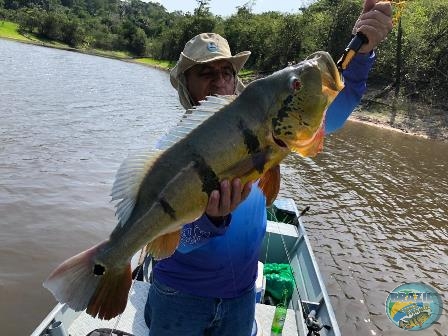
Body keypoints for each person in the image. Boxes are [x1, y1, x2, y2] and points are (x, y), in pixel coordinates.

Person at [144, 1, 393, 335]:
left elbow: (329, 114)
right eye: (206, 73)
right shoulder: (168, 154)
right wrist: (210, 220)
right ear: (186, 86)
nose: (220, 80)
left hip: (242, 295)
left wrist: (362, 54)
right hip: (179, 296)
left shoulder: (265, 126)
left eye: (227, 71)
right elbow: (170, 241)